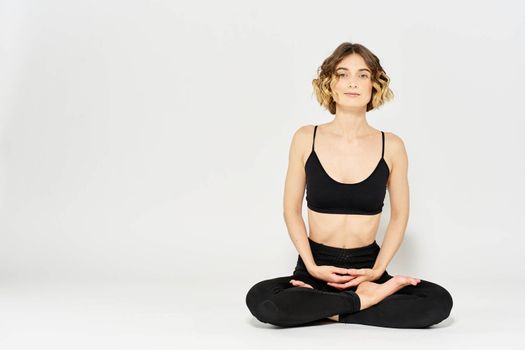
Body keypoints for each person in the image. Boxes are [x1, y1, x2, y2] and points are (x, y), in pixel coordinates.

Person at [245, 42, 454, 328]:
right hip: (315, 268)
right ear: (330, 83)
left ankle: (322, 308)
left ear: (374, 84)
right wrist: (312, 266)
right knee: (261, 299)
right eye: (343, 74)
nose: (352, 82)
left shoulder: (391, 146)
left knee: (438, 301)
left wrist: (378, 270)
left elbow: (400, 216)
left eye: (363, 75)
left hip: (367, 269)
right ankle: (364, 302)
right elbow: (290, 211)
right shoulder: (306, 138)